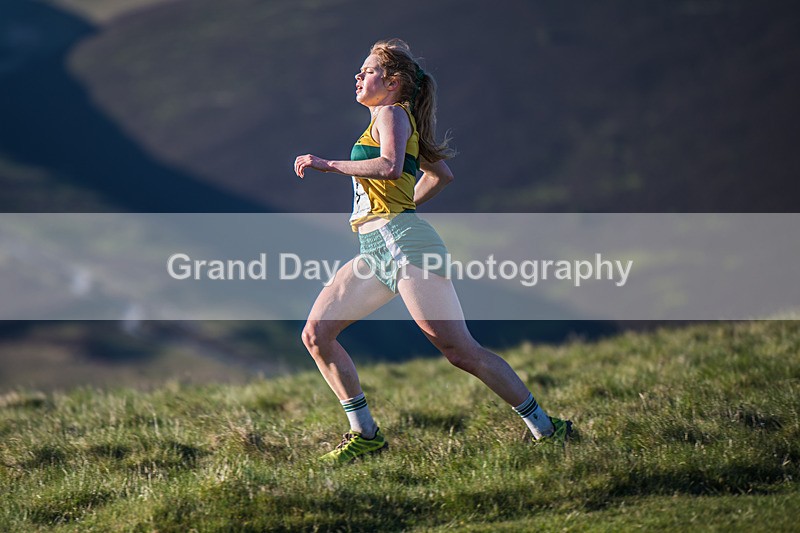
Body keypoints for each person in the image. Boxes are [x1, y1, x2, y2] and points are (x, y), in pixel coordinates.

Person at [294, 38, 571, 464]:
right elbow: (441, 175)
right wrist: (401, 204)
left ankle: (547, 430)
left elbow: (388, 166)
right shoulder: (397, 120)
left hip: (405, 246)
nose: (358, 76)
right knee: (316, 335)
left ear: (393, 83)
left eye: (367, 70)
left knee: (460, 350)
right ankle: (365, 434)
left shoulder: (390, 114)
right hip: (377, 247)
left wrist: (329, 164)